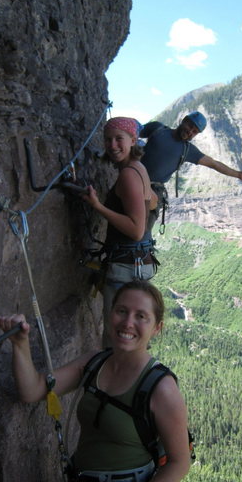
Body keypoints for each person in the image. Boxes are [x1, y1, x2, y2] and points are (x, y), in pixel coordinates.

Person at [0, 280, 190, 482]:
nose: (128, 322)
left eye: (141, 316)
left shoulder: (161, 388)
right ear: (110, 314)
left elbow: (181, 462)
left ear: (157, 328)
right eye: (121, 311)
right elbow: (33, 390)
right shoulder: (93, 363)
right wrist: (20, 343)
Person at [81, 117, 158, 346]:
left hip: (125, 268)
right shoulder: (140, 169)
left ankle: (111, 381)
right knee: (132, 338)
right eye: (107, 140)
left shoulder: (128, 174)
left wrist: (98, 207)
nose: (112, 145)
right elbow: (152, 202)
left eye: (119, 139)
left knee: (116, 339)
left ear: (133, 140)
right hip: (138, 264)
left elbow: (136, 230)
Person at [139, 111, 242, 227]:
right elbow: (131, 133)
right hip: (132, 176)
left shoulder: (189, 151)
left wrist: (239, 174)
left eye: (195, 131)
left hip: (153, 189)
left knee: (142, 229)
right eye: (190, 126)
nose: (190, 131)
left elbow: (214, 164)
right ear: (184, 120)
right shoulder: (157, 129)